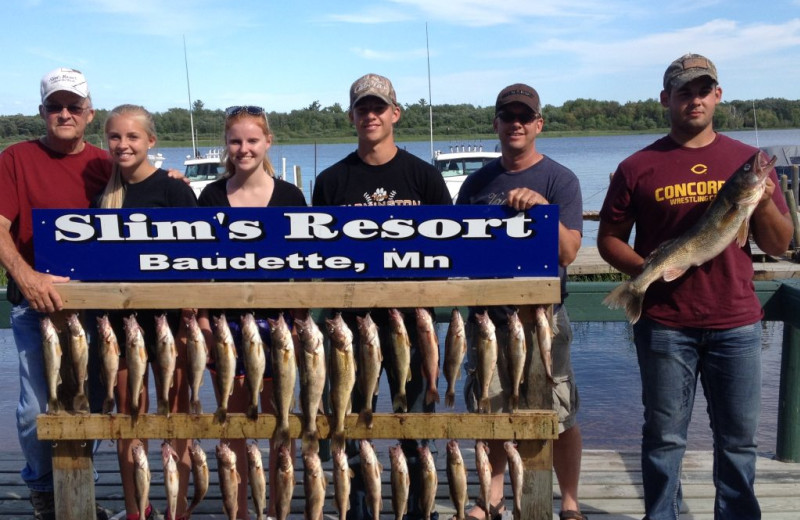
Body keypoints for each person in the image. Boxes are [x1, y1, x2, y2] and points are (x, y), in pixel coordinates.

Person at [597, 54, 793, 520]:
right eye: (684, 91)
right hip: (665, 325)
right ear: (666, 99)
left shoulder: (747, 164)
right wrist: (649, 271)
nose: (695, 99)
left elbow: (780, 244)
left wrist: (761, 202)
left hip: (737, 323)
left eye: (704, 90)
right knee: (664, 437)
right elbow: (607, 239)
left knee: (739, 440)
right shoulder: (637, 166)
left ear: (718, 96)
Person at [312, 73, 451, 520]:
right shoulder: (332, 181)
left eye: (378, 108)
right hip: (349, 328)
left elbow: (448, 246)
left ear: (395, 113)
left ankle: (417, 511)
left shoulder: (424, 177)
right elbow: (320, 250)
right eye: (361, 109)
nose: (370, 116)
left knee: (415, 426)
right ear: (351, 116)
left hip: (413, 323)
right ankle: (357, 511)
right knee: (349, 424)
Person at [456, 83, 586, 520]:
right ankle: (491, 500)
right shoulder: (476, 182)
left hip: (543, 317)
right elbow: (458, 248)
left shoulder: (559, 179)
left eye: (524, 117)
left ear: (538, 125)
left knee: (560, 411)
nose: (516, 124)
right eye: (507, 117)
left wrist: (543, 210)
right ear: (495, 124)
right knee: (489, 409)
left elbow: (569, 252)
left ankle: (567, 502)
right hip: (488, 317)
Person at [0, 67, 112, 520]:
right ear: (42, 111)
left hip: (95, 311)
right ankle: (44, 490)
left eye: (73, 106)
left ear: (89, 113)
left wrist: (174, 185)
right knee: (33, 412)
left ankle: (80, 489)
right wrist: (26, 277)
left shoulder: (107, 164)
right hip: (36, 307)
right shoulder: (15, 158)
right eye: (55, 106)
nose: (64, 113)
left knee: (95, 402)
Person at [198, 105, 306, 520]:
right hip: (227, 327)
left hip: (278, 326)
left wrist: (299, 324)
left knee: (281, 423)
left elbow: (305, 265)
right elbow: (199, 266)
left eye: (252, 140)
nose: (244, 148)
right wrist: (205, 323)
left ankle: (280, 508)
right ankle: (240, 511)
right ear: (227, 144)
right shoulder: (209, 196)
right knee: (238, 423)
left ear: (268, 142)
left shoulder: (291, 197)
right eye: (236, 141)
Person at [96, 104, 197, 520]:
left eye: (132, 137)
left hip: (170, 321)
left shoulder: (175, 190)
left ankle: (178, 509)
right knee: (130, 417)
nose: (123, 144)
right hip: (122, 325)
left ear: (150, 142)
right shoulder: (102, 197)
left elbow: (199, 253)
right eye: (115, 137)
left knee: (175, 416)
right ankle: (138, 509)